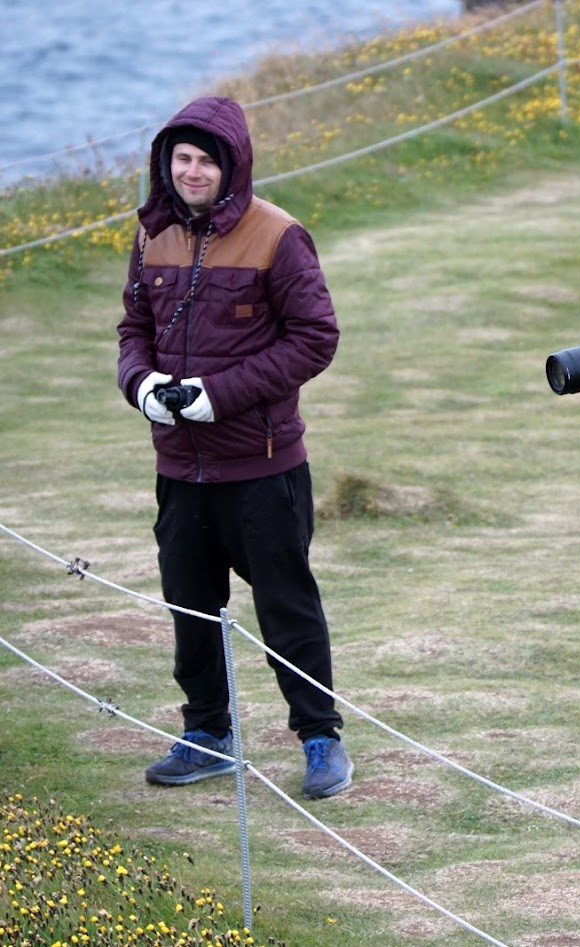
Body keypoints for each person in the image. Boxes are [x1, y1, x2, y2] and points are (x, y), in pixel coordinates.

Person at [116, 96, 353, 800]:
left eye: (204, 161)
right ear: (166, 163)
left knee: (287, 607)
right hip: (179, 468)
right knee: (190, 605)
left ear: (232, 166)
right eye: (180, 159)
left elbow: (316, 338)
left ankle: (320, 739)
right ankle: (207, 734)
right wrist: (142, 385)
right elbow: (132, 327)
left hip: (263, 465)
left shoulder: (279, 236)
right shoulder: (150, 234)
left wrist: (221, 394)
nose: (191, 172)